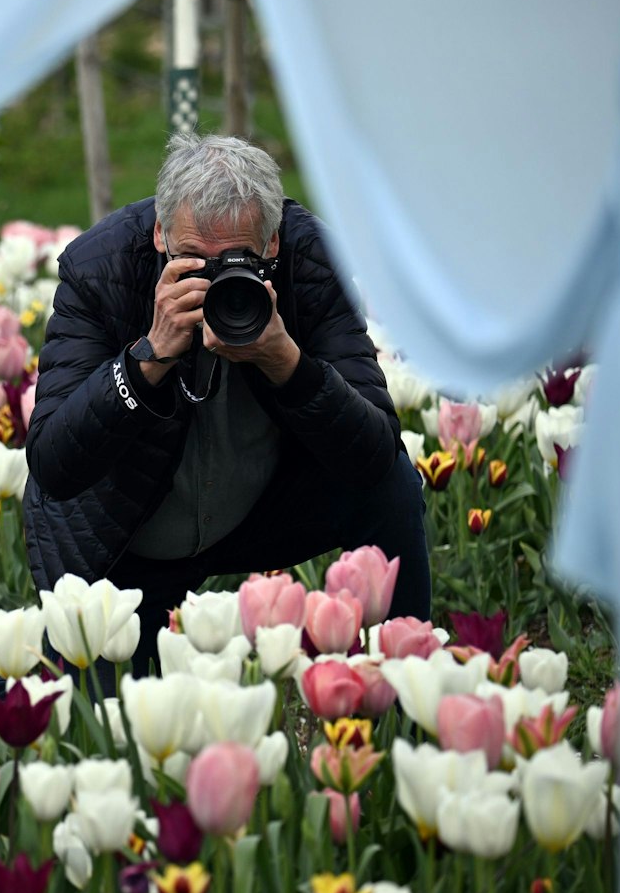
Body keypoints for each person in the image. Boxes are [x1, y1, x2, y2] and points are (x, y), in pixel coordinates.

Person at [23, 134, 428, 681]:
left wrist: (287, 362)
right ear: (160, 234)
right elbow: (53, 463)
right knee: (98, 720)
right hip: (129, 536)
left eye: (237, 262)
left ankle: (404, 684)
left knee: (394, 482)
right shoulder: (103, 269)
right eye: (193, 260)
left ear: (274, 243)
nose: (216, 281)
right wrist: (146, 360)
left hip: (258, 511)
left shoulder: (310, 262)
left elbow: (374, 454)